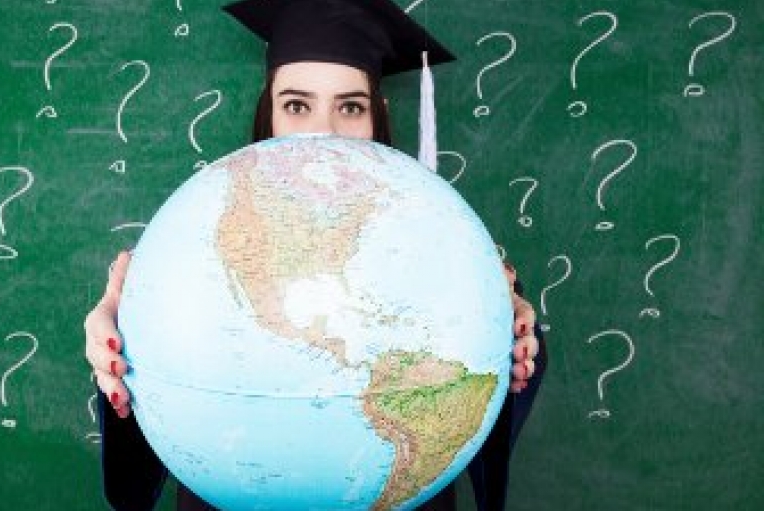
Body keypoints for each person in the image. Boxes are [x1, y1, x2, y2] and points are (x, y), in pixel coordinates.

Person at [83, 0, 547, 509]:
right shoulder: (204, 234)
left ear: (378, 117)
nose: (322, 131)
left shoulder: (436, 240)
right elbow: (166, 377)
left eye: (350, 107)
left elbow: (471, 370)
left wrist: (516, 333)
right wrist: (119, 336)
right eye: (297, 105)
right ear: (269, 114)